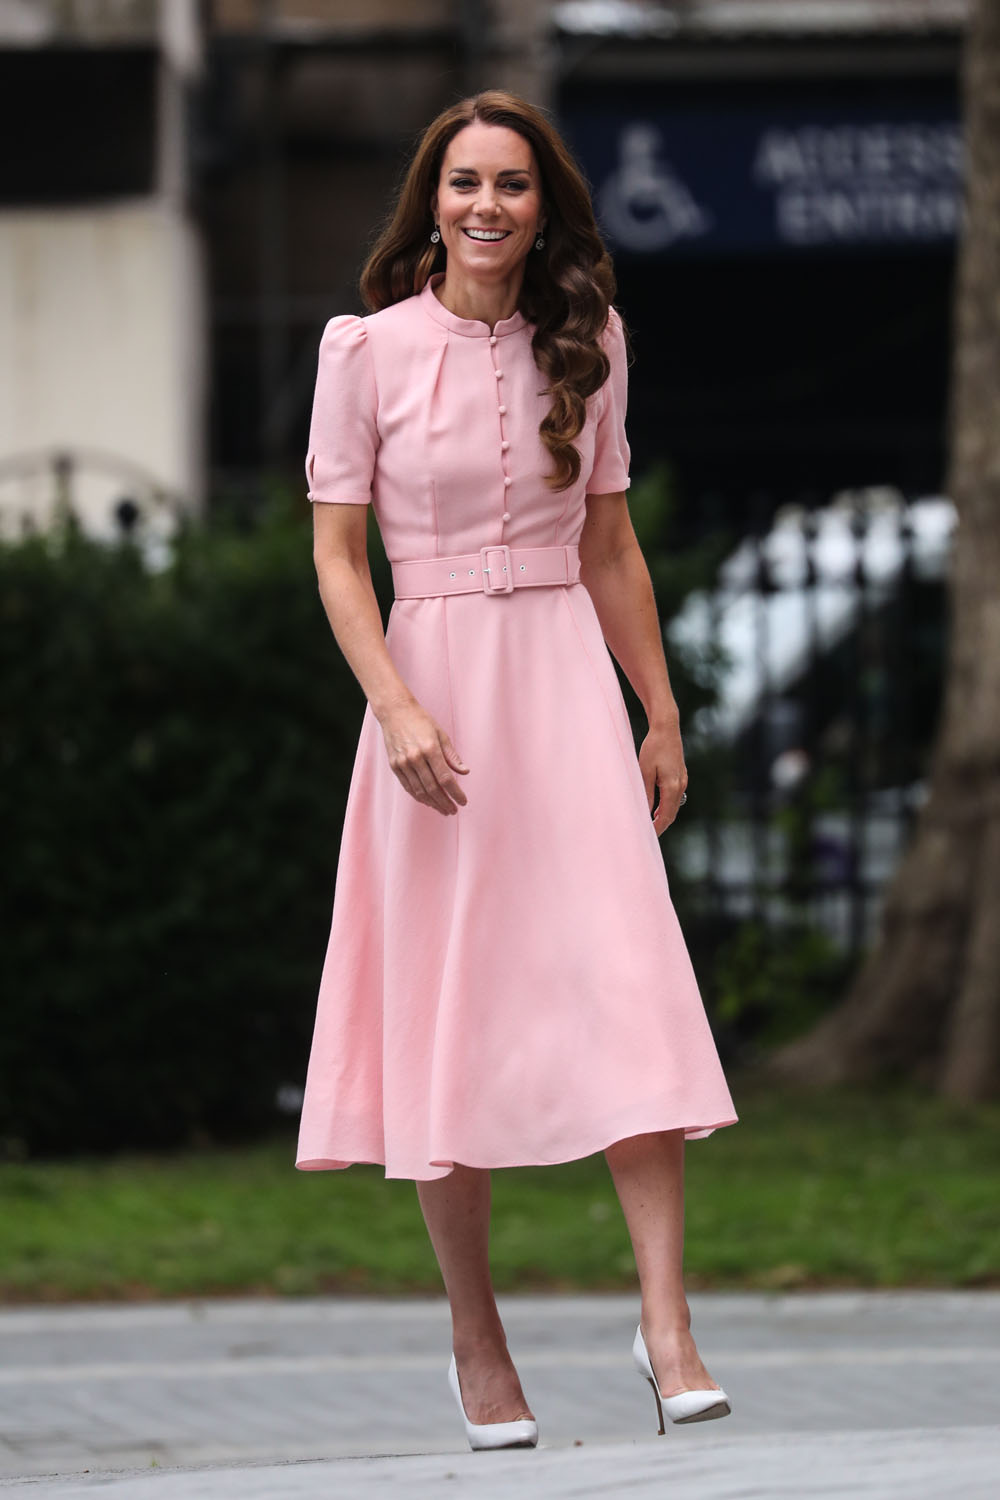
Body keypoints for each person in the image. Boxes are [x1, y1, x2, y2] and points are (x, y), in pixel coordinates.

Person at [295, 90, 738, 1452]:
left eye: (514, 185)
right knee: (449, 1015)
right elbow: (334, 556)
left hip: (561, 690)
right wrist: (396, 707)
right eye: (464, 181)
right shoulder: (363, 350)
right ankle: (476, 1341)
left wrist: (658, 713)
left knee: (631, 985)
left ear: (545, 206)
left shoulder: (588, 339)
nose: (488, 205)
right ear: (431, 198)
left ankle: (668, 1333)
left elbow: (609, 547)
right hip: (433, 705)